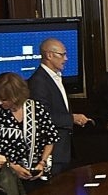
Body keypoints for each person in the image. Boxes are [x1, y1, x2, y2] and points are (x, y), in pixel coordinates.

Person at [26, 38, 92, 176]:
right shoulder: (38, 81)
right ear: (49, 55)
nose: (66, 58)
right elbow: (42, 116)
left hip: (64, 147)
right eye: (62, 54)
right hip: (52, 149)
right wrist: (71, 119)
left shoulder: (54, 77)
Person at [0, 72, 56, 180]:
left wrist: (42, 163)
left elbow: (50, 139)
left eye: (4, 99)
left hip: (37, 173)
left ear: (15, 96)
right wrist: (12, 167)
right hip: (8, 177)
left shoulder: (37, 109)